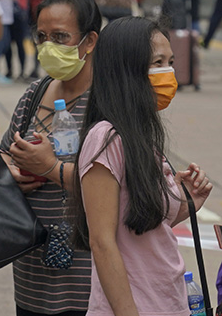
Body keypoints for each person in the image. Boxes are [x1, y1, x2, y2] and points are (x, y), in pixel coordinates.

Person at [71, 16, 212, 315]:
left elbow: (139, 230)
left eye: (170, 61)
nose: (168, 72)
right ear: (127, 70)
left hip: (168, 303)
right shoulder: (105, 139)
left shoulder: (141, 139)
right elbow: (102, 242)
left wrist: (186, 203)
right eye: (157, 62)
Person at [1, 0, 101, 316]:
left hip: (91, 280)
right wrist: (11, 172)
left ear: (89, 42)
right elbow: (5, 152)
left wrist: (50, 169)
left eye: (60, 36)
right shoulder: (35, 93)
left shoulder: (107, 102)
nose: (48, 47)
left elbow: (121, 186)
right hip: (32, 276)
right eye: (42, 37)